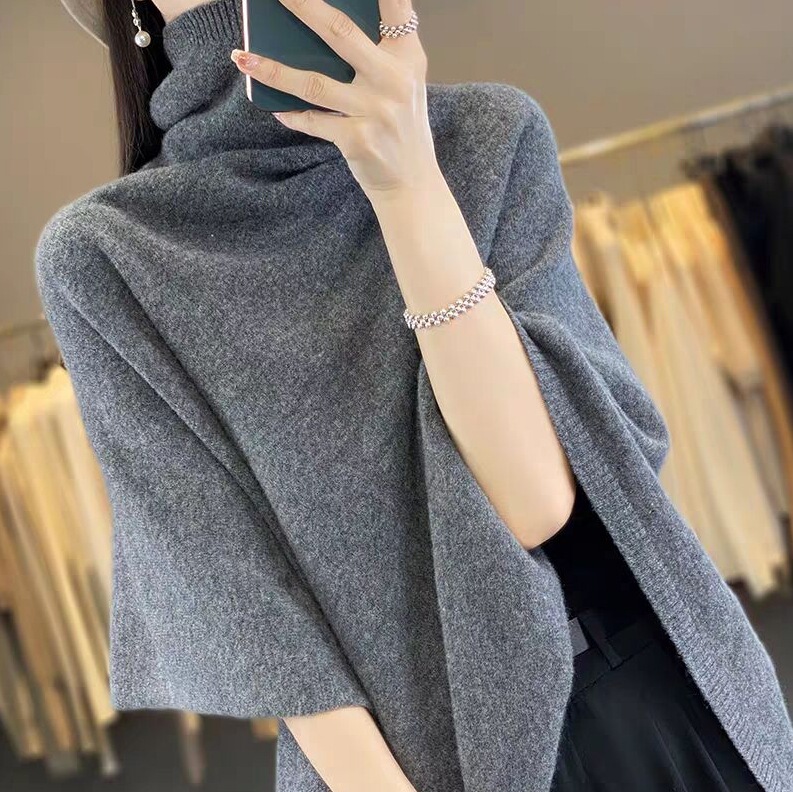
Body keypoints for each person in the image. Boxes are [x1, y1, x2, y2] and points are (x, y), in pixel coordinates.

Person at [39, 0, 793, 790]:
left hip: (651, 718)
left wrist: (406, 184)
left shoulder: (486, 138)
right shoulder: (106, 257)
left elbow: (536, 504)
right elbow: (249, 605)